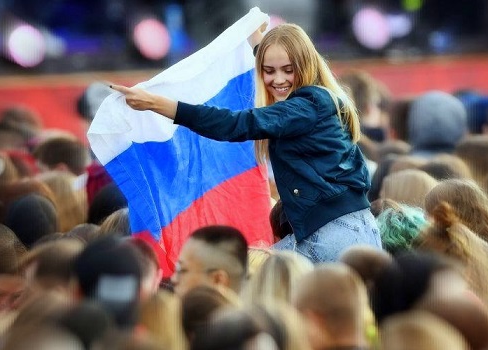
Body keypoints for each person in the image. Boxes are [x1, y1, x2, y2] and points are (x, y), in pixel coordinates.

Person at [110, 23, 381, 263]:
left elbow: (236, 124)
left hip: (336, 236)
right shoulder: (316, 102)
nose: (278, 80)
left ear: (306, 66)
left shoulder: (308, 105)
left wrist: (159, 105)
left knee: (256, 280)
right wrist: (257, 45)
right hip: (346, 230)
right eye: (268, 70)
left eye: (289, 70)